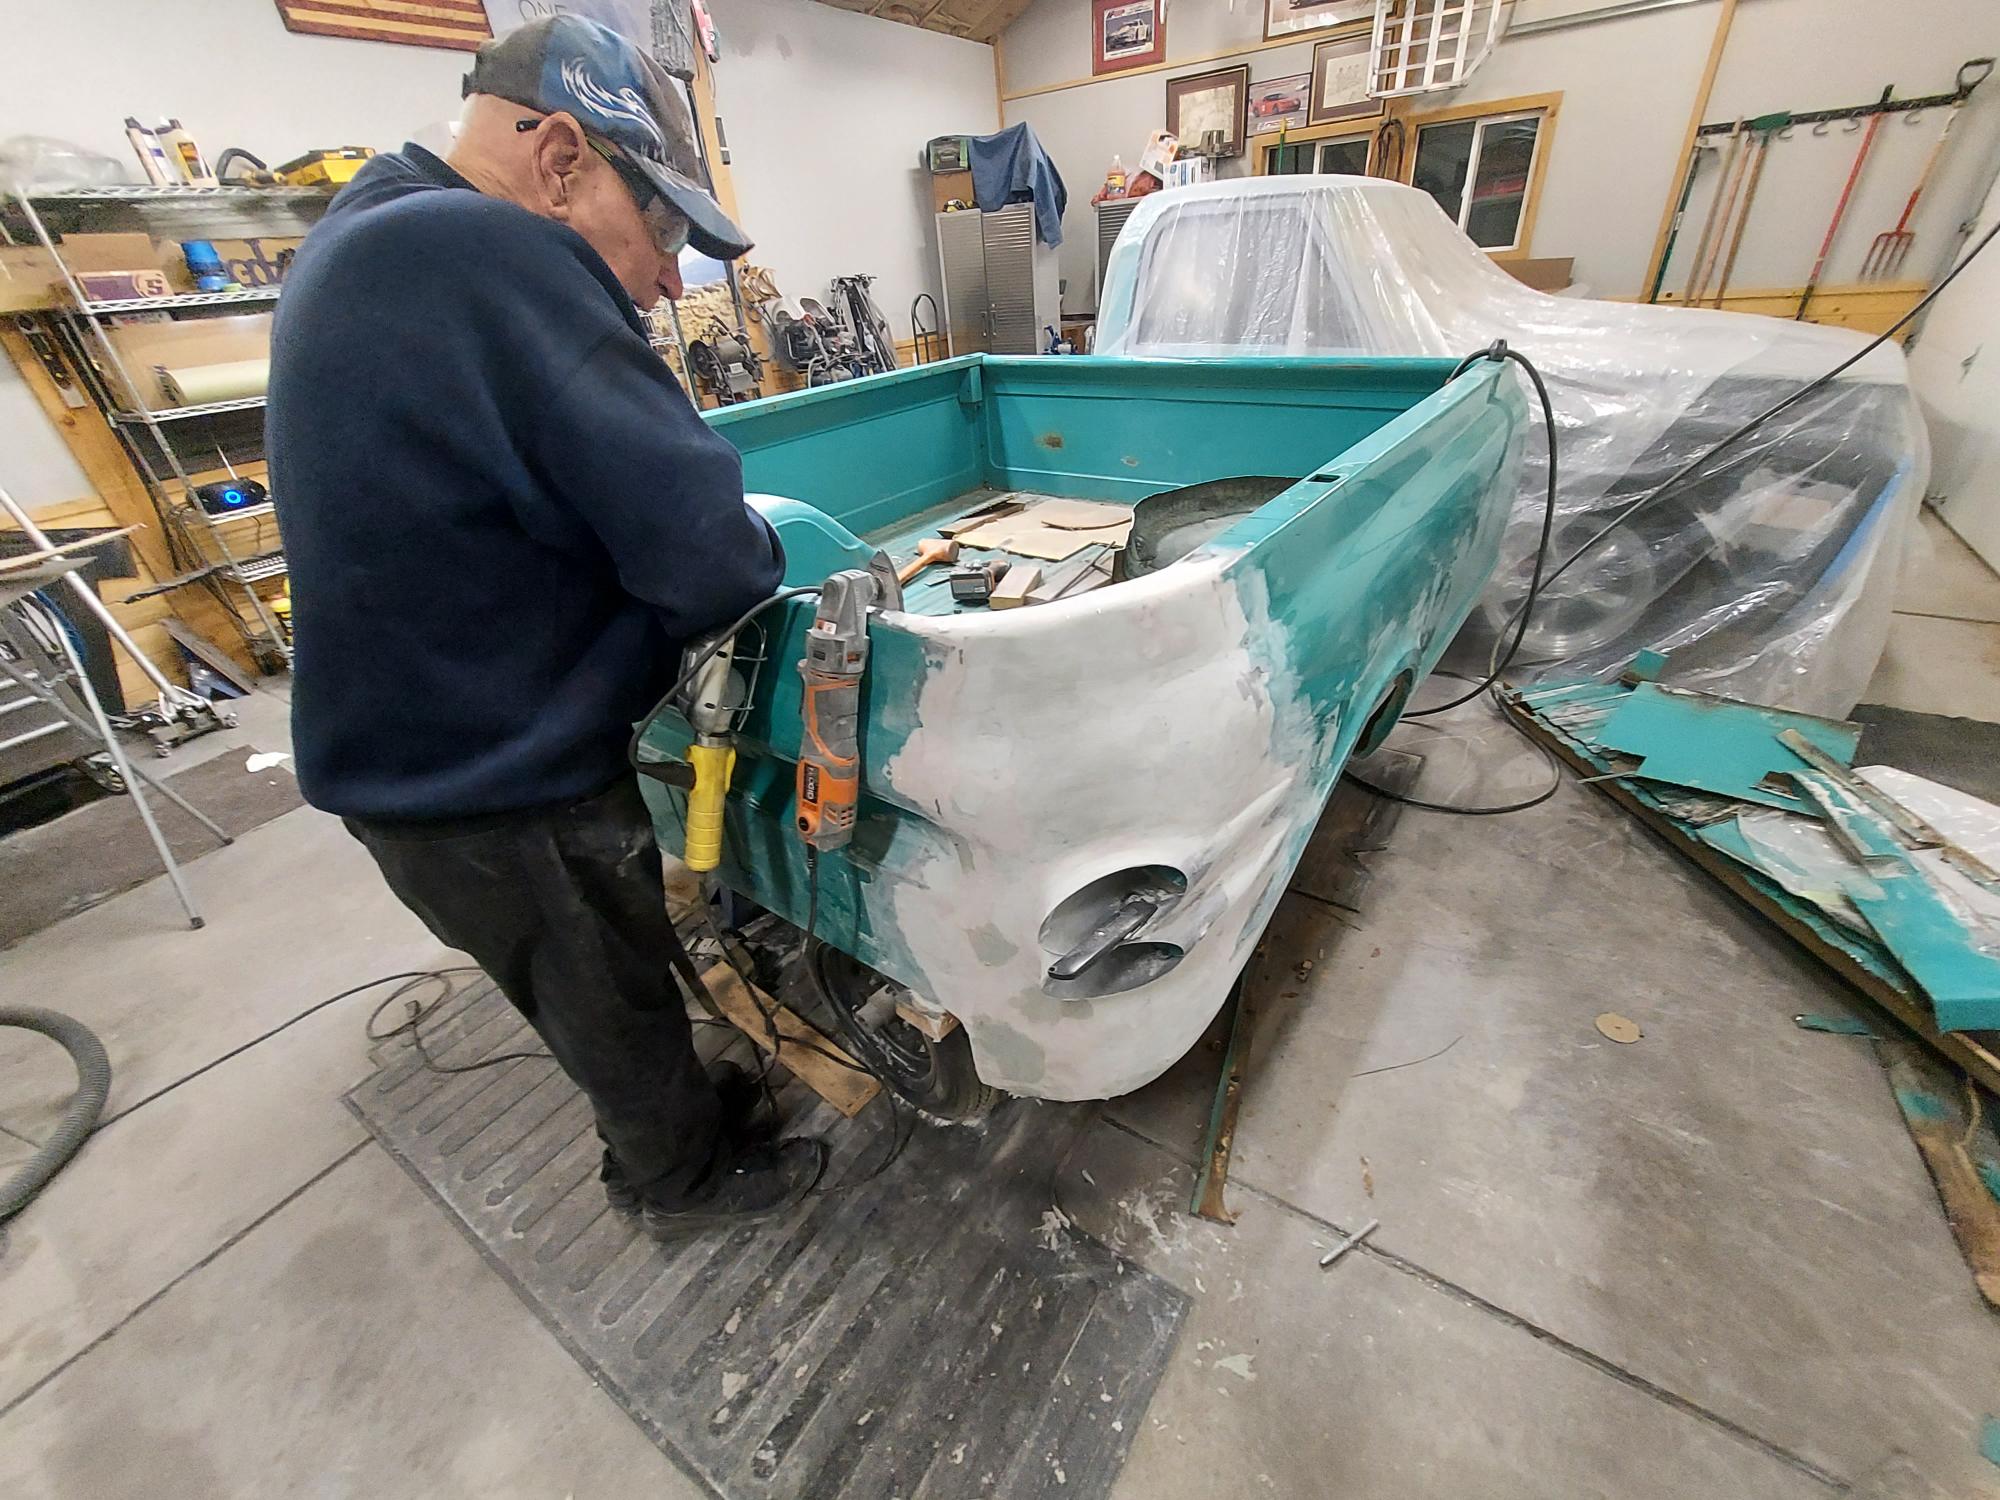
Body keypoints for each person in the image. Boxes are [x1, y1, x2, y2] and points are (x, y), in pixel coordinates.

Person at [267, 15, 825, 1234]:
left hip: (425, 748)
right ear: (563, 158)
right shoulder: (484, 249)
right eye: (664, 232)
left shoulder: (372, 225)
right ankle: (677, 1184)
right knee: (606, 993)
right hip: (488, 776)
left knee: (602, 980)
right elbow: (704, 547)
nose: (669, 280)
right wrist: (765, 567)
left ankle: (678, 1118)